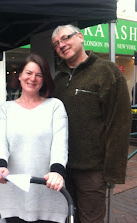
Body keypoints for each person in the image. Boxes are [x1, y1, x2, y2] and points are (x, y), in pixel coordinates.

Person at [51, 24, 132, 223]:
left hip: (93, 170)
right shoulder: (57, 80)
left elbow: (119, 123)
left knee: (91, 220)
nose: (61, 45)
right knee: (68, 218)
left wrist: (112, 171)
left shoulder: (107, 71)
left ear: (80, 37)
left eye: (65, 38)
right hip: (62, 168)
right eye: (56, 44)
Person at [0, 53, 69, 223]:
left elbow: (60, 144)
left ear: (44, 79)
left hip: (48, 191)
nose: (33, 78)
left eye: (39, 74)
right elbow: (0, 143)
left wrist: (57, 171)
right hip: (13, 193)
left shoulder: (55, 106)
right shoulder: (6, 109)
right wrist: (0, 167)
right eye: (28, 73)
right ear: (19, 75)